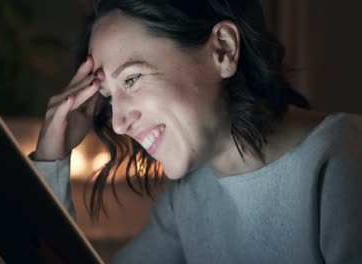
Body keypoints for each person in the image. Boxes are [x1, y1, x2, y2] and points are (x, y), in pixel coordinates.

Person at [30, 0, 362, 263]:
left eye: (131, 79)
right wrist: (51, 159)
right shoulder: (187, 197)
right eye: (107, 98)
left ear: (223, 49)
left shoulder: (343, 155)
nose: (118, 123)